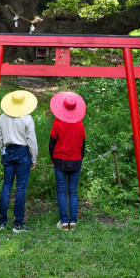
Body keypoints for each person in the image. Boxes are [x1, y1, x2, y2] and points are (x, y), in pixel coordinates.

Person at [0, 90, 38, 233]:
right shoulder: (27, 118)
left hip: (8, 152)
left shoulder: (2, 117)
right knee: (21, 188)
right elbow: (31, 140)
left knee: (6, 187)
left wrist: (2, 150)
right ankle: (18, 224)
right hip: (22, 153)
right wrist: (34, 157)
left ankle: (2, 222)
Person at [49, 91, 86, 231]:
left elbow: (51, 143)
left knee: (61, 192)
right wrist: (80, 157)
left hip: (59, 159)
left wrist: (53, 157)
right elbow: (82, 144)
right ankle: (73, 222)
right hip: (76, 159)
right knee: (73, 192)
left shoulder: (57, 122)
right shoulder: (80, 124)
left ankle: (64, 222)